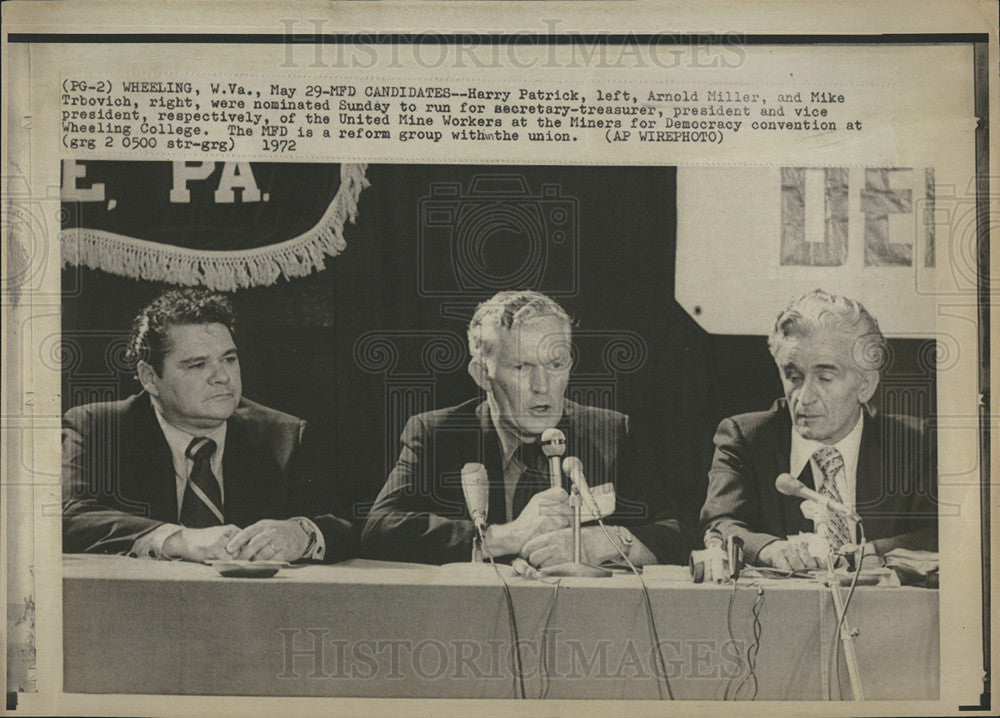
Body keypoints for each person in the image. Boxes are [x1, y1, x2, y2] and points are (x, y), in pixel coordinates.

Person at [361, 290, 690, 567]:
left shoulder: (608, 432)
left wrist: (599, 543)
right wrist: (506, 537)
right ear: (481, 374)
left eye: (556, 364)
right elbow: (379, 529)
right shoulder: (437, 433)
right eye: (522, 367)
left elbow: (677, 533)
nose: (542, 386)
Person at [62, 288, 355, 563]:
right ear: (150, 377)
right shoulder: (97, 429)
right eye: (197, 365)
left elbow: (344, 528)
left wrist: (301, 534)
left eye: (229, 359)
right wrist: (180, 540)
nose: (222, 377)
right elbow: (64, 517)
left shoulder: (284, 436)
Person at [698, 289, 937, 576]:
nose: (804, 397)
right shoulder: (746, 438)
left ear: (865, 384)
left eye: (825, 378)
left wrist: (870, 553)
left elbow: (945, 532)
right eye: (793, 377)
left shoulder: (915, 443)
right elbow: (721, 523)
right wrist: (771, 551)